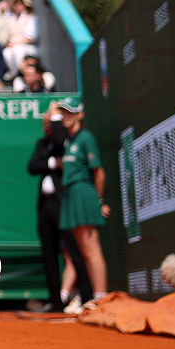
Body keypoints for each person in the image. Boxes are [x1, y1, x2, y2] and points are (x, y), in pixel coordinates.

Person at [28, 104, 84, 313]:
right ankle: (55, 300)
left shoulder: (66, 141)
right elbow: (33, 166)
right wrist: (53, 163)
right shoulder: (42, 144)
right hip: (45, 204)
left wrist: (55, 117)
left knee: (73, 248)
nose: (46, 127)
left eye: (49, 124)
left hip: (63, 202)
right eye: (45, 124)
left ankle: (86, 294)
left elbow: (60, 143)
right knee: (49, 251)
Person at [56, 98, 109, 307]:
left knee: (91, 247)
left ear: (80, 114)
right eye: (63, 112)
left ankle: (101, 296)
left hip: (84, 193)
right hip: (71, 193)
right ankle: (96, 296)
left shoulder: (86, 138)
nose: (66, 116)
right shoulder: (69, 141)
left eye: (70, 112)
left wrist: (99, 200)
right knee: (82, 250)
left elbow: (99, 172)